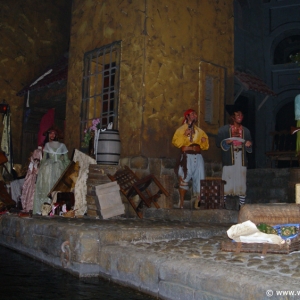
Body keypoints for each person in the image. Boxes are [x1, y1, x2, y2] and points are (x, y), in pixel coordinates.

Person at [216, 104, 252, 208]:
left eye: (241, 115)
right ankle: (223, 203)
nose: (240, 117)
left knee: (241, 180)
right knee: (227, 179)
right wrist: (226, 142)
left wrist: (249, 144)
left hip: (241, 158)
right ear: (232, 117)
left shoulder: (246, 131)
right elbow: (218, 143)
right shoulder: (223, 130)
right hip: (229, 158)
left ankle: (241, 205)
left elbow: (249, 142)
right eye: (238, 115)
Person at [172, 109, 209, 209]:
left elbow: (205, 146)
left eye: (195, 114)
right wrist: (184, 135)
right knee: (184, 176)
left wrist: (203, 141)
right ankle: (182, 203)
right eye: (192, 114)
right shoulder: (180, 130)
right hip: (187, 156)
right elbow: (176, 142)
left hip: (198, 156)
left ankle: (198, 204)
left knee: (200, 177)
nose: (194, 115)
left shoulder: (199, 131)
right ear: (187, 116)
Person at [33, 127, 70, 215]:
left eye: (54, 133)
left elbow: (66, 159)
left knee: (57, 187)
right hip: (48, 168)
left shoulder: (62, 146)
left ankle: (56, 207)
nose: (52, 135)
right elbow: (44, 158)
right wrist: (39, 167)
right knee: (46, 186)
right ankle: (45, 208)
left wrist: (69, 169)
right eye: (51, 133)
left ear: (57, 135)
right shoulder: (47, 145)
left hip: (58, 167)